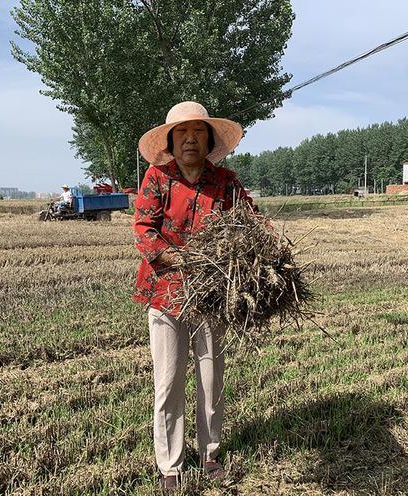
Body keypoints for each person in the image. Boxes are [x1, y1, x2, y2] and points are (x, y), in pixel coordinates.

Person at [133, 101, 255, 490]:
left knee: (211, 378)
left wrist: (267, 245)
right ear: (170, 140)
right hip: (166, 294)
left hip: (212, 297)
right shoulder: (157, 177)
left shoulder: (225, 181)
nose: (190, 139)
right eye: (182, 132)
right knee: (168, 382)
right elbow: (143, 228)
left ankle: (210, 453)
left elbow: (250, 218)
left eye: (198, 131)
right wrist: (178, 256)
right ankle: (170, 464)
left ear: (210, 138)